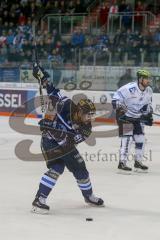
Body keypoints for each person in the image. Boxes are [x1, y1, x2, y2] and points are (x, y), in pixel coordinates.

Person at [31, 64, 104, 214]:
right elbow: (53, 90)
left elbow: (68, 143)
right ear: (78, 112)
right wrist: (42, 77)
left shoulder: (86, 129)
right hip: (48, 141)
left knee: (81, 169)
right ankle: (39, 200)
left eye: (91, 115)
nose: (89, 118)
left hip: (64, 144)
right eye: (87, 114)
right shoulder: (67, 105)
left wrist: (49, 125)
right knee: (57, 168)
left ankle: (88, 196)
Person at [112, 69, 153, 172]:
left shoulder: (149, 91)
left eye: (149, 79)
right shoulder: (129, 88)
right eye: (146, 79)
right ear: (140, 79)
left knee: (141, 139)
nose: (149, 81)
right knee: (127, 138)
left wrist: (148, 114)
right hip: (125, 117)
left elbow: (147, 106)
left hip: (136, 117)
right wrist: (119, 106)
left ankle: (138, 162)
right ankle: (122, 163)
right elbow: (115, 99)